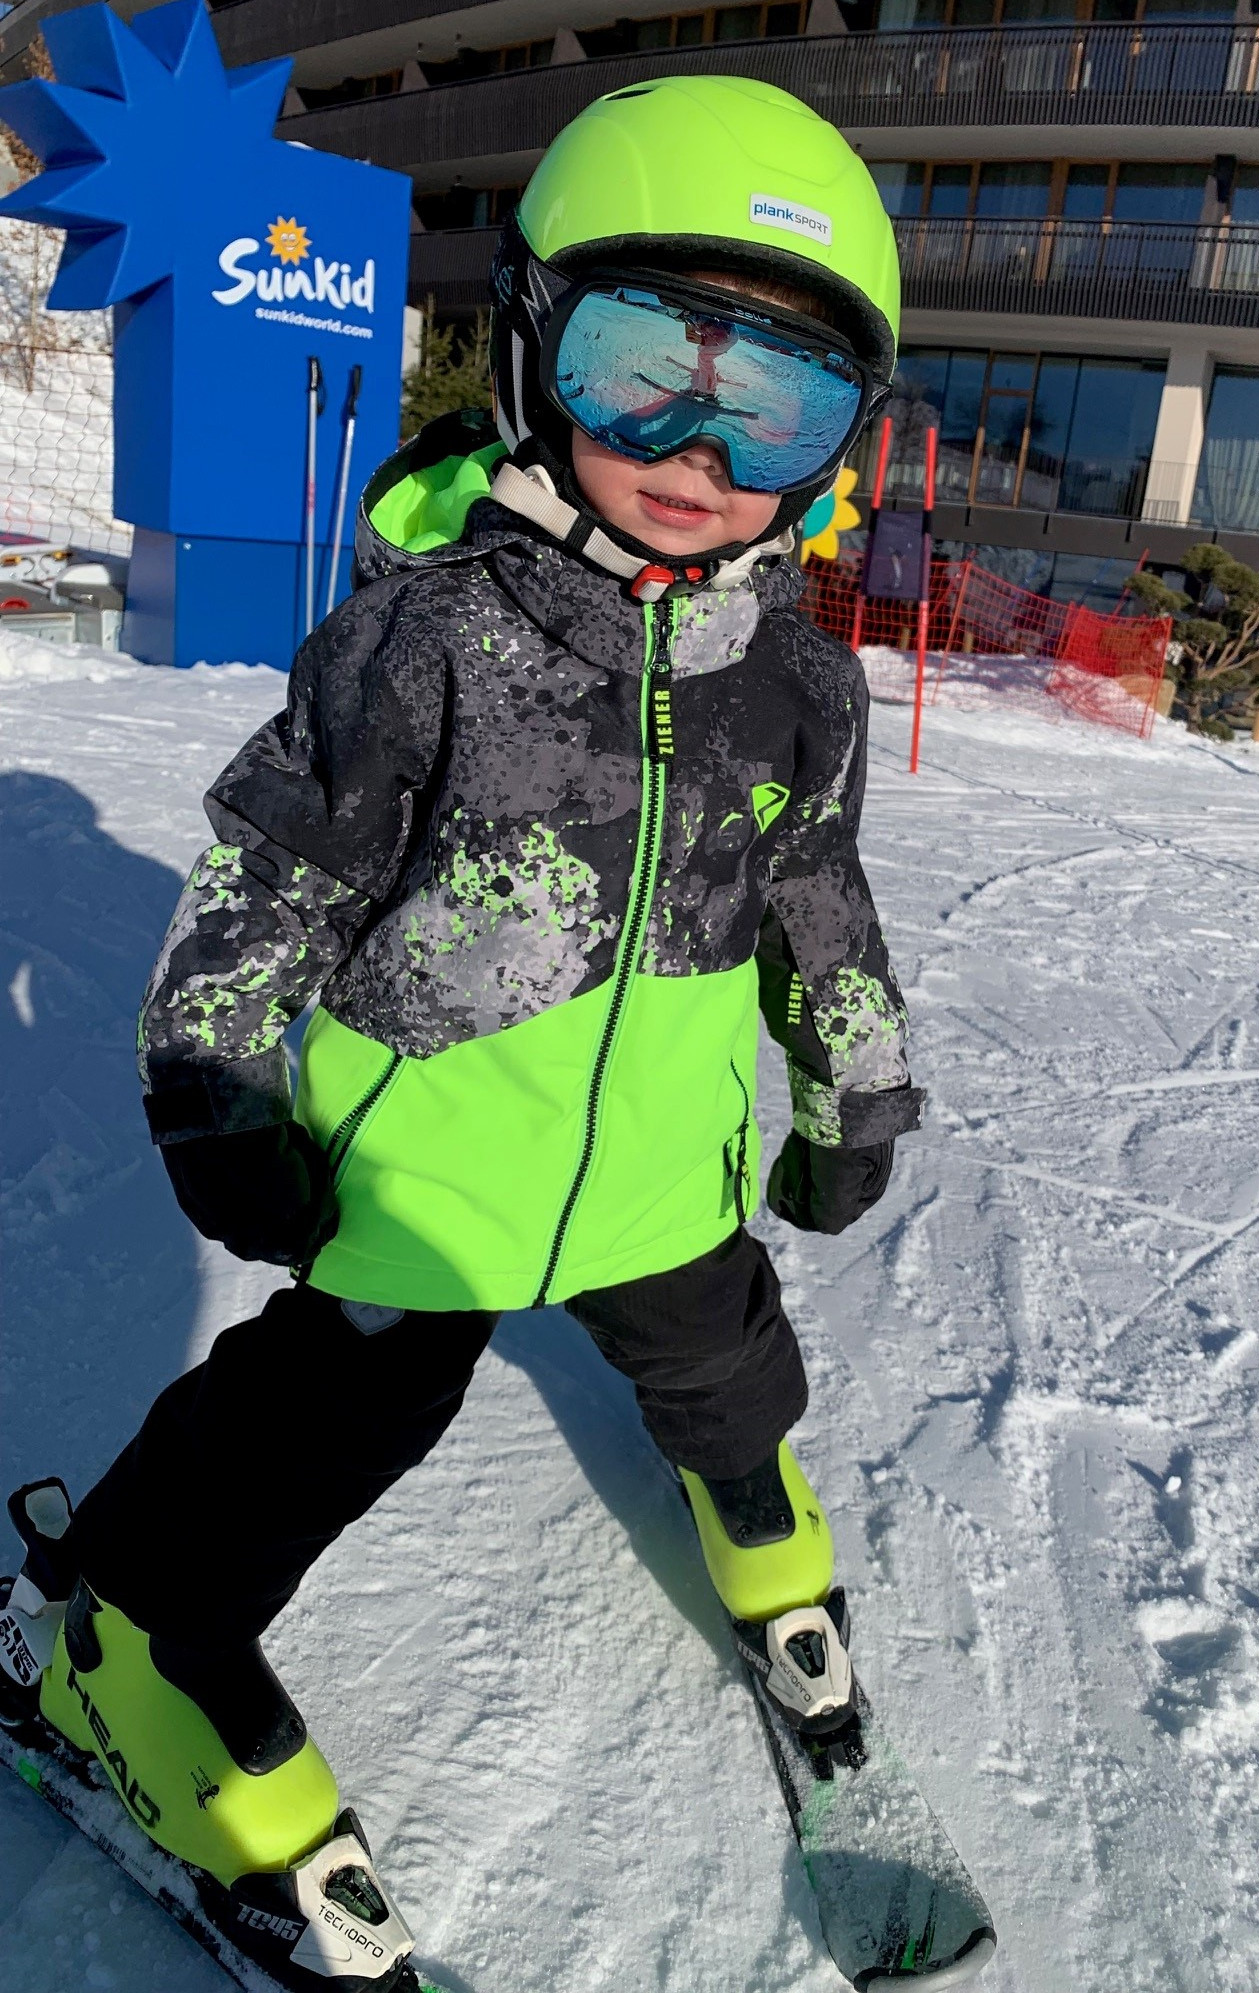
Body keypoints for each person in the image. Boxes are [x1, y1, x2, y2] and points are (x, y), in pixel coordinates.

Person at [0, 75, 920, 1989]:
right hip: (426, 1181)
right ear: (531, 349)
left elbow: (818, 892)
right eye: (639, 358)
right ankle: (125, 1631)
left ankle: (759, 1529)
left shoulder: (805, 684)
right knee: (314, 1420)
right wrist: (219, 1082)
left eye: (778, 399)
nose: (693, 441)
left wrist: (852, 1062)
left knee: (725, 1358)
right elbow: (271, 876)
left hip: (662, 1172)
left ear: (845, 437)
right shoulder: (423, 641)